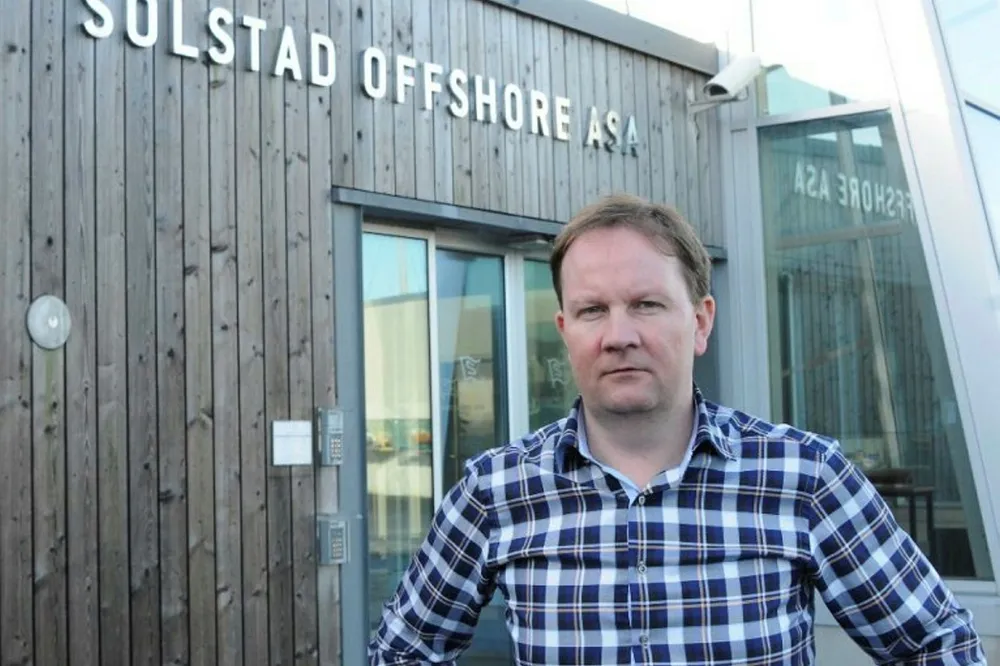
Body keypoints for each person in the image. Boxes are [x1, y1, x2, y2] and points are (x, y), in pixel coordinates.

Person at [368, 193, 986, 665]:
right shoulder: (496, 491)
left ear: (701, 321)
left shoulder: (803, 478)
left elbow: (937, 645)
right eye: (592, 310)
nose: (619, 336)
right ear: (565, 331)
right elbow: (402, 651)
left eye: (646, 304)